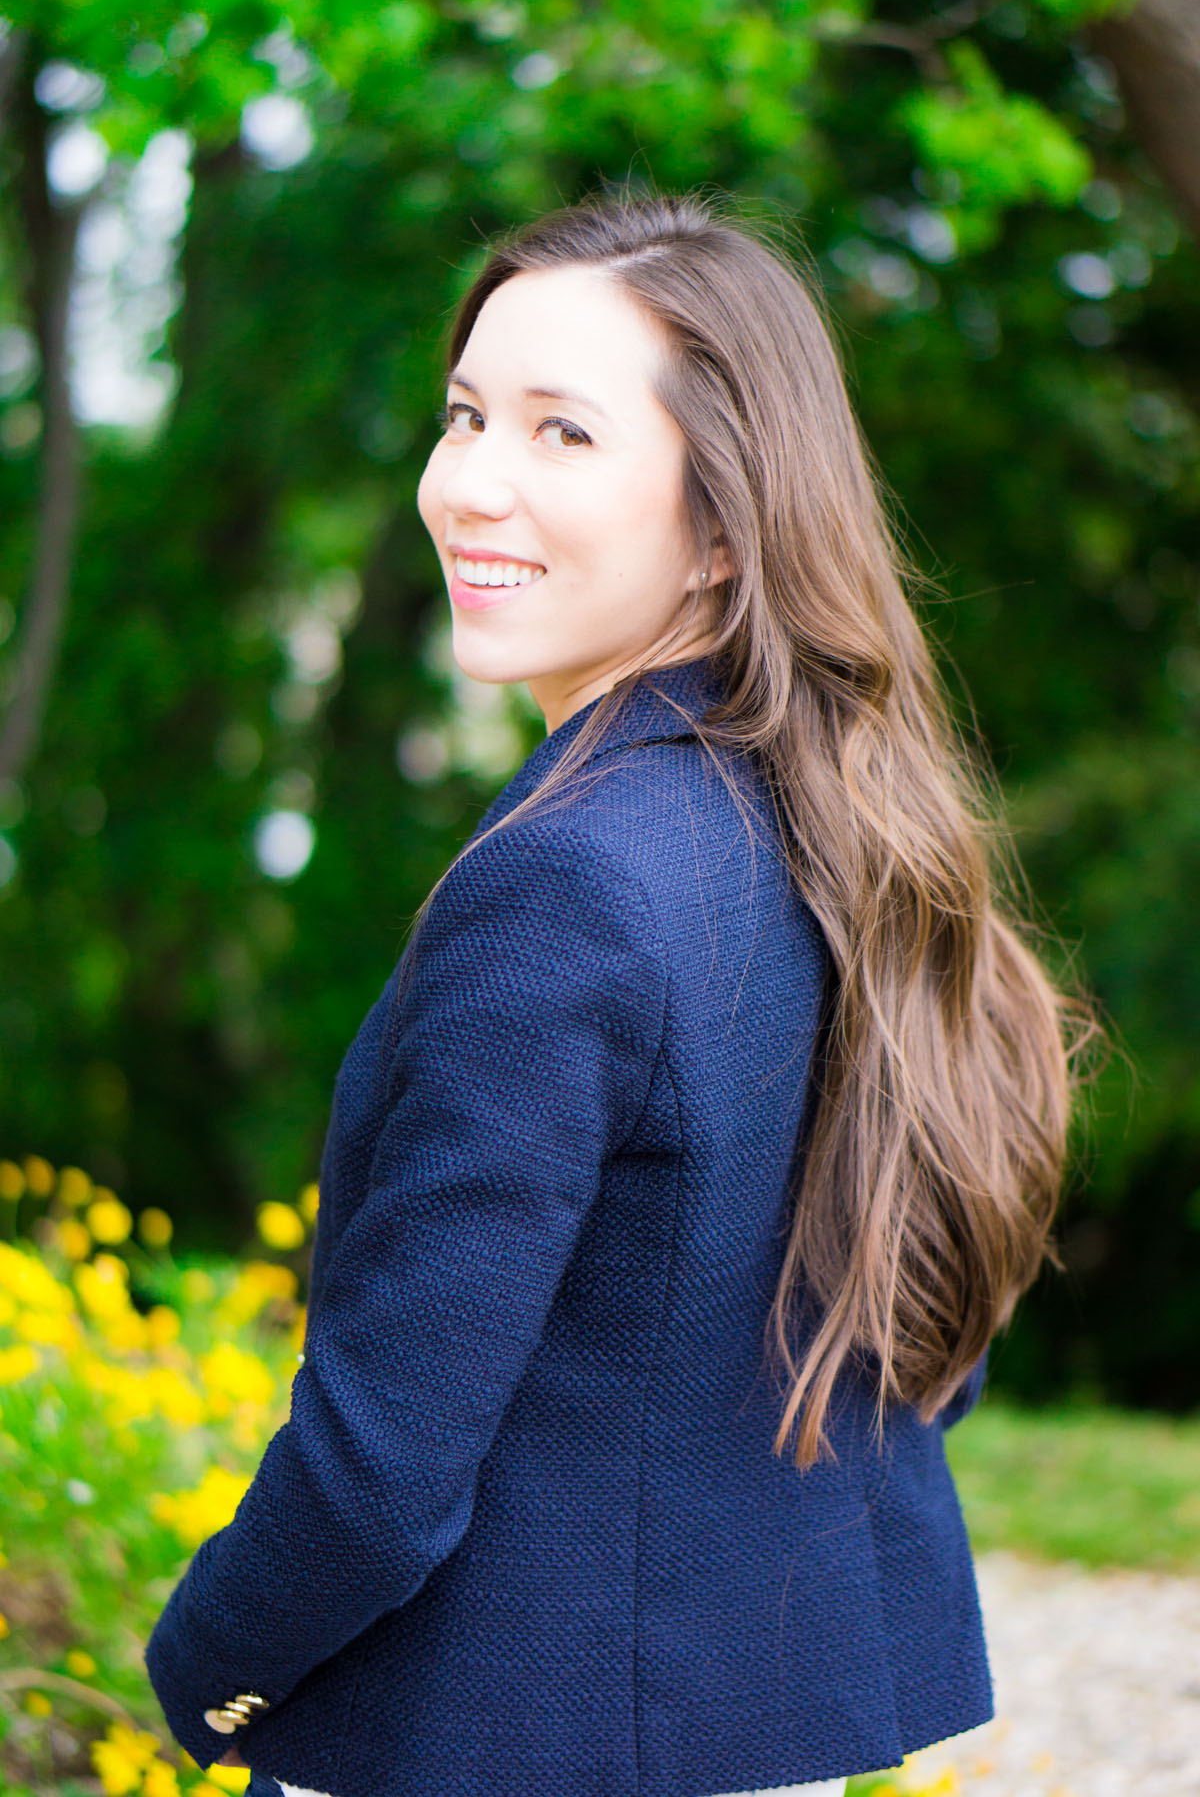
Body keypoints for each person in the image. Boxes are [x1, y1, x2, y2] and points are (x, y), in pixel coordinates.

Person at [144, 187, 1100, 1797]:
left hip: (504, 1741)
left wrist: (207, 1666)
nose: (472, 485)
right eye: (465, 416)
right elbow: (910, 1311)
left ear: (725, 525)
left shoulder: (570, 884)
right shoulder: (839, 826)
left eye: (563, 435)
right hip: (746, 1736)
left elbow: (384, 1463)